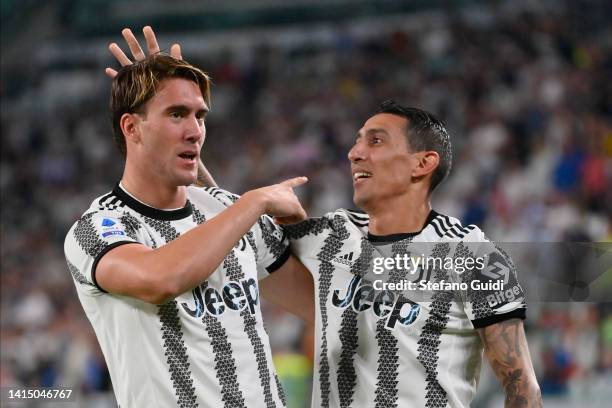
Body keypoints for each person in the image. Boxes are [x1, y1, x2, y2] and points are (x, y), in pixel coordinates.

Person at [107, 28, 542, 407]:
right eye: (356, 141)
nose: (355, 153)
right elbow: (227, 218)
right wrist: (161, 104)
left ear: (422, 163)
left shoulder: (471, 256)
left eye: (376, 141)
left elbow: (521, 385)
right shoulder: (328, 237)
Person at [64, 52, 314, 407]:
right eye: (176, 114)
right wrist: (252, 202)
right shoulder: (97, 229)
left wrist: (301, 231)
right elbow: (159, 280)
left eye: (199, 116)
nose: (195, 131)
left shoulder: (228, 212)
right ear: (131, 127)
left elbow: (322, 305)